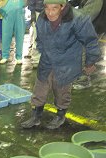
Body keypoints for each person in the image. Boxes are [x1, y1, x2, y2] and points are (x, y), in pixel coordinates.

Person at [21, 0, 101, 129]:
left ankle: (60, 115)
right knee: (40, 86)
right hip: (47, 59)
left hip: (67, 60)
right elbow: (39, 39)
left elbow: (91, 42)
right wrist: (42, 50)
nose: (50, 13)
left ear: (62, 7)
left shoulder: (78, 19)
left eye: (54, 8)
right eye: (47, 8)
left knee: (62, 89)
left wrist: (90, 62)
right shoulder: (42, 18)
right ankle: (36, 115)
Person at [0, 0, 25, 64]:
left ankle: (19, 57)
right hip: (7, 11)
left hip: (19, 11)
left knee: (20, 35)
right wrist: (2, 9)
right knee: (6, 34)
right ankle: (5, 56)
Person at [27, 0, 44, 67]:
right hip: (38, 12)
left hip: (53, 10)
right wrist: (32, 13)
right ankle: (36, 59)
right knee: (37, 36)